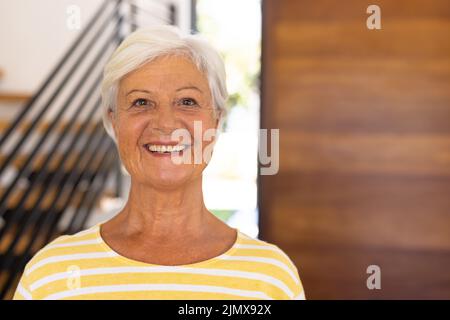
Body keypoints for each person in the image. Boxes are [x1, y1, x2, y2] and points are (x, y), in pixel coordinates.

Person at [13, 25, 305, 300]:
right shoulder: (50, 274)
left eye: (187, 102)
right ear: (114, 121)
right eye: (141, 102)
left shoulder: (271, 277)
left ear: (215, 122)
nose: (166, 125)